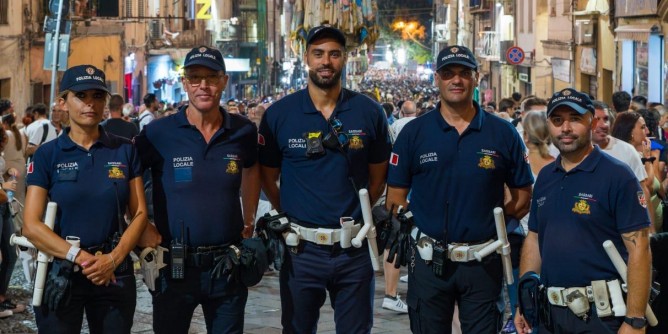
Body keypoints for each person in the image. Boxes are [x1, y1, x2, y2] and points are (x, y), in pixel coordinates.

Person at [386, 45, 533, 333]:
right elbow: (395, 199)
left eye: (464, 73)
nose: (457, 80)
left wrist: (489, 224)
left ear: (476, 78)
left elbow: (523, 196)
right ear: (437, 79)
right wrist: (419, 232)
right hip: (428, 262)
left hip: (483, 262)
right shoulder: (415, 133)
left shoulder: (503, 133)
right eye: (448, 73)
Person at [258, 25, 391, 333]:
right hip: (301, 252)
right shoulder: (279, 114)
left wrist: (361, 215)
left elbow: (378, 176)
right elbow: (268, 178)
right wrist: (292, 213)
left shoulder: (368, 111)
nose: (326, 61)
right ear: (306, 58)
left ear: (344, 58)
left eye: (333, 54)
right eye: (318, 54)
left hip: (354, 251)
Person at [135, 46, 260, 334]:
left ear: (224, 81)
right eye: (194, 77)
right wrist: (141, 225)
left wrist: (249, 217)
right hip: (174, 266)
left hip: (227, 265)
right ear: (184, 83)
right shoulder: (158, 133)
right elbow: (130, 178)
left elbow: (253, 169)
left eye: (211, 77)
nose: (203, 85)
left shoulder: (243, 131)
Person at [22, 64, 149, 333]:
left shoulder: (125, 151)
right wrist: (80, 258)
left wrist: (113, 259)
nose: (90, 104)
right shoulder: (47, 155)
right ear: (63, 102)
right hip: (62, 272)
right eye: (81, 96)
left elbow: (139, 214)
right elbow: (31, 225)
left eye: (97, 96)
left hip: (114, 272)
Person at [514, 88, 652, 333]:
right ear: (549, 125)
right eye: (557, 120)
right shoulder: (546, 176)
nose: (565, 128)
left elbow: (639, 247)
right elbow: (535, 238)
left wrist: (635, 319)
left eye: (574, 119)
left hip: (600, 317)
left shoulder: (618, 176)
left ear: (592, 120)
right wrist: (526, 303)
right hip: (549, 316)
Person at [612, 112, 664, 232]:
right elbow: (648, 187)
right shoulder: (627, 156)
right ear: (630, 132)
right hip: (641, 228)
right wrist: (647, 158)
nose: (647, 132)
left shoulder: (638, 153)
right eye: (642, 127)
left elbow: (657, 184)